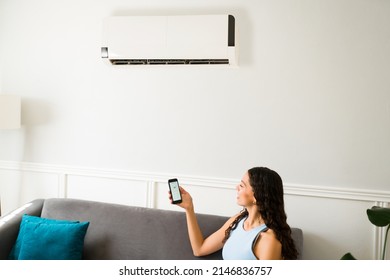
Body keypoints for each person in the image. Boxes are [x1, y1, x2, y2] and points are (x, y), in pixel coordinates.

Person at [168, 167, 298, 260]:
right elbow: (199, 249)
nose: (236, 188)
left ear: (256, 196)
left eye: (242, 186)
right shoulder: (238, 221)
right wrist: (189, 208)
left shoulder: (268, 240)